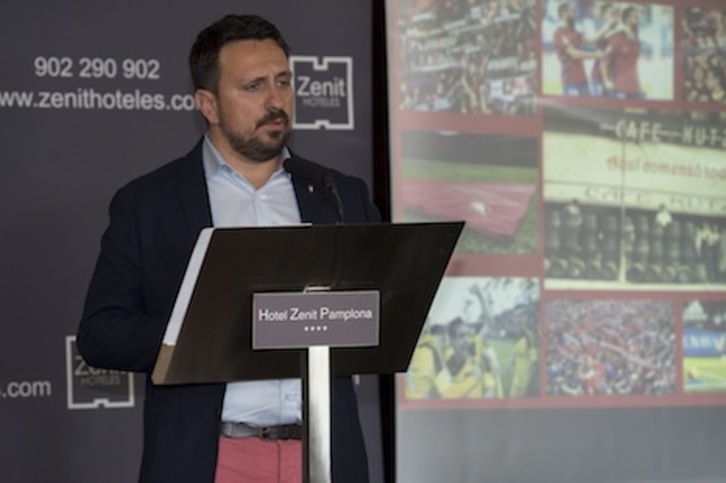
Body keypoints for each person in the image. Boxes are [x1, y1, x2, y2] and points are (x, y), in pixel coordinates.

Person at [76, 14, 379, 483]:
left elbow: (379, 313)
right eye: (254, 86)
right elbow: (101, 334)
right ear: (208, 105)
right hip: (210, 459)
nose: (276, 101)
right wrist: (208, 333)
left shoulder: (341, 194)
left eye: (283, 81)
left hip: (324, 458)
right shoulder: (148, 203)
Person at [552, 2, 604, 96]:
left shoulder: (575, 32)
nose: (576, 13)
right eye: (572, 11)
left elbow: (591, 39)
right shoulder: (559, 33)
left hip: (583, 80)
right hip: (571, 81)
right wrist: (596, 55)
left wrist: (607, 27)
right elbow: (574, 54)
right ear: (564, 13)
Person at [602, 6, 643, 99]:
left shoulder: (637, 42)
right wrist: (606, 81)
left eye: (638, 17)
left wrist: (640, 86)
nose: (638, 19)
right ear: (627, 19)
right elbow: (604, 60)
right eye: (635, 17)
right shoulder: (618, 39)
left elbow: (633, 65)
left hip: (635, 89)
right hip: (620, 88)